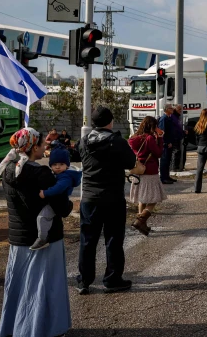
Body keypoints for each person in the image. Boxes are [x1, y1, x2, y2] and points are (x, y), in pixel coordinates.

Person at [0, 128, 73, 337]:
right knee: (44, 286)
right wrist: (69, 204)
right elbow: (61, 206)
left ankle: (13, 327)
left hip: (18, 237)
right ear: (32, 147)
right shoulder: (40, 173)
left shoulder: (7, 168)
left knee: (18, 285)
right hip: (44, 238)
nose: (44, 146)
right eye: (41, 143)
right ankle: (43, 329)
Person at [77, 105, 137, 295]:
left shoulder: (84, 141)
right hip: (112, 198)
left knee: (87, 240)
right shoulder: (117, 141)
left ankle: (84, 281)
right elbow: (131, 163)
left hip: (89, 198)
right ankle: (112, 280)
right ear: (110, 122)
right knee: (113, 239)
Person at [31, 147, 82, 250]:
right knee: (45, 218)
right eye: (54, 165)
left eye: (61, 164)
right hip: (58, 201)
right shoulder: (61, 174)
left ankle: (42, 239)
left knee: (42, 217)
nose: (58, 167)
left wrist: (45, 193)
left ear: (67, 165)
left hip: (59, 201)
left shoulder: (66, 177)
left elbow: (58, 188)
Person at [128, 116, 165, 236]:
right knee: (155, 199)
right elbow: (158, 153)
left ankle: (142, 224)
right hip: (150, 171)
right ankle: (140, 220)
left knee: (142, 198)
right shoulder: (149, 138)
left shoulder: (133, 138)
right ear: (152, 126)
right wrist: (160, 139)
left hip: (138, 170)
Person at [192, 109, 207, 192]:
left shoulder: (198, 124)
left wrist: (198, 145)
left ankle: (197, 188)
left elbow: (196, 137)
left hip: (201, 147)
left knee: (199, 169)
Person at [159, 104, 183, 184]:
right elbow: (162, 132)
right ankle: (163, 177)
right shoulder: (164, 119)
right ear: (166, 110)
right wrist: (166, 143)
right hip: (166, 144)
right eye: (170, 108)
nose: (172, 109)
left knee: (168, 160)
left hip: (171, 142)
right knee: (164, 161)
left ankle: (167, 176)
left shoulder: (169, 118)